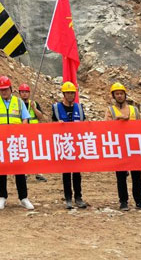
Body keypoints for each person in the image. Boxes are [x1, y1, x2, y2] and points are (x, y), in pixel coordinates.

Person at [0, 76, 34, 210]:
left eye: (6, 89)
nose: (4, 92)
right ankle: (2, 197)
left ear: (11, 89)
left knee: (19, 170)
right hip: (1, 141)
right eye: (1, 90)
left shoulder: (18, 102)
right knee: (1, 169)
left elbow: (25, 118)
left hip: (15, 141)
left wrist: (21, 131)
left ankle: (23, 198)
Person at [107, 82, 141, 211]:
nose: (119, 96)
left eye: (121, 93)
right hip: (119, 147)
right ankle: (123, 201)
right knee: (120, 176)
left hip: (134, 146)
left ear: (125, 95)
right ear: (113, 96)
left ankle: (139, 200)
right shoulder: (110, 110)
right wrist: (117, 122)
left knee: (137, 175)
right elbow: (106, 127)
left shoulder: (134, 109)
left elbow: (140, 125)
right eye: (117, 94)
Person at [52, 81, 88, 209]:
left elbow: (84, 123)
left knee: (77, 173)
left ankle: (78, 197)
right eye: (68, 93)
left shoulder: (79, 108)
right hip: (64, 143)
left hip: (76, 144)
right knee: (66, 173)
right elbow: (52, 124)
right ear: (64, 94)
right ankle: (68, 198)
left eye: (73, 93)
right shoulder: (56, 107)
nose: (71, 95)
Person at [18, 83, 47, 182]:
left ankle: (39, 173)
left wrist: (34, 108)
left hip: (34, 132)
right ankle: (24, 173)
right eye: (22, 92)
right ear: (19, 93)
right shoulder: (17, 104)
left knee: (36, 153)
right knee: (24, 153)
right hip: (22, 133)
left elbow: (40, 117)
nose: (24, 94)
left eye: (26, 92)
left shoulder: (34, 103)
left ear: (29, 93)